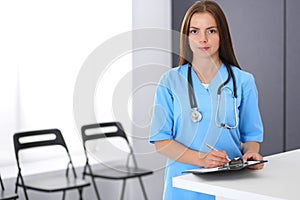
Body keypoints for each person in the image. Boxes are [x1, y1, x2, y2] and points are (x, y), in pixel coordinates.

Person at [149, 0, 265, 199]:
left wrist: (251, 155)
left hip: (229, 185)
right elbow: (162, 141)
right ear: (186, 36)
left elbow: (251, 136)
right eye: (195, 31)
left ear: (222, 35)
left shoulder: (243, 81)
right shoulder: (170, 82)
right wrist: (201, 159)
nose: (203, 39)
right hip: (182, 185)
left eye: (211, 31)